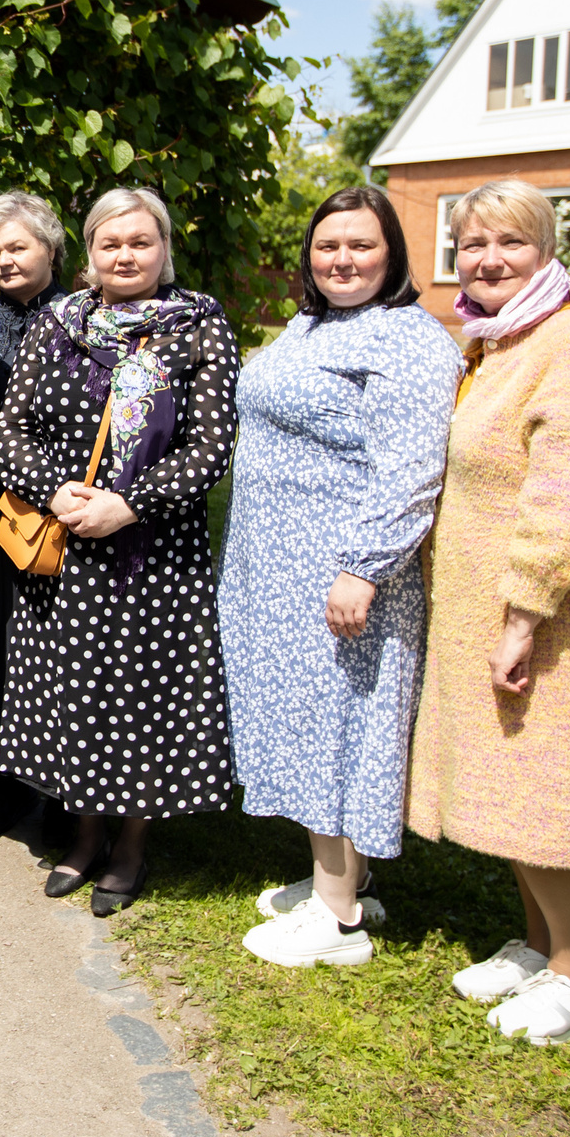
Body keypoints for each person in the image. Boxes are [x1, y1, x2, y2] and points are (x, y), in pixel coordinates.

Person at [407, 179, 570, 1045]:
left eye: (510, 243)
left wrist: (526, 610)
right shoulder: (498, 341)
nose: (489, 259)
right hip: (496, 604)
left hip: (557, 618)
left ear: (547, 250)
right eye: (473, 244)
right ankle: (540, 943)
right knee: (514, 781)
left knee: (547, 789)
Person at [220, 186, 462, 968]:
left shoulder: (408, 338)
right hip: (278, 567)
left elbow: (413, 468)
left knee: (335, 728)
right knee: (303, 719)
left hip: (344, 570)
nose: (343, 259)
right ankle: (337, 880)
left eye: (361, 245)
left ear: (391, 252)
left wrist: (364, 567)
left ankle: (338, 917)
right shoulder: (314, 325)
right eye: (329, 246)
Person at [0, 187, 238, 919]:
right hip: (64, 548)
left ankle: (130, 842)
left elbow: (212, 443)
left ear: (164, 248)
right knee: (73, 695)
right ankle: (82, 829)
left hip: (152, 552)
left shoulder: (198, 325)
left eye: (140, 241)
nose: (124, 254)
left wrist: (129, 504)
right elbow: (12, 431)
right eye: (110, 242)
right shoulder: (59, 325)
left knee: (139, 700)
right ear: (90, 252)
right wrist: (57, 492)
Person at [0, 191, 70, 842]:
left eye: (17, 246)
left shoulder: (81, 318)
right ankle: (1, 770)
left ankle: (55, 786)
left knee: (49, 639)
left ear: (50, 248)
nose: (3, 259)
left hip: (58, 507)